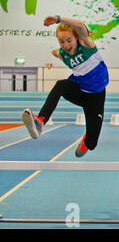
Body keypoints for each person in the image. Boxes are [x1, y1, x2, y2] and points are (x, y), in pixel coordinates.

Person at [22, 15, 109, 158]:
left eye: (69, 40)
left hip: (96, 97)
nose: (66, 45)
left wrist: (57, 19)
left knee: (92, 144)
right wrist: (56, 53)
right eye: (61, 41)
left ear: (77, 38)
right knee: (61, 85)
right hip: (79, 91)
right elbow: (56, 52)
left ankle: (86, 140)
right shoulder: (63, 53)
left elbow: (80, 26)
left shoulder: (86, 46)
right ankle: (40, 122)